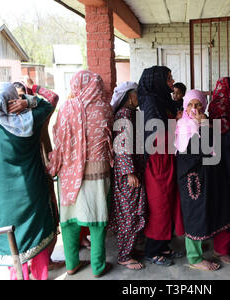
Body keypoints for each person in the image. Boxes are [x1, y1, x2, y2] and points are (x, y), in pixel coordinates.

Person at [0, 82, 57, 280]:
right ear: (13, 100)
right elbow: (50, 102)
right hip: (32, 195)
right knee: (37, 248)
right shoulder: (29, 121)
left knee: (14, 252)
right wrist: (28, 102)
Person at [48, 70, 113, 278]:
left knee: (70, 221)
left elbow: (57, 136)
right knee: (97, 219)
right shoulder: (104, 108)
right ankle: (98, 266)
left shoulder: (67, 108)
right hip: (98, 172)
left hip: (69, 174)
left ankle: (72, 264)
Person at [176, 89, 230, 271]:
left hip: (213, 176)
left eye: (198, 104)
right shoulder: (183, 127)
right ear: (185, 107)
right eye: (190, 104)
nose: (194, 109)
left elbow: (216, 149)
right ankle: (195, 258)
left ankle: (221, 249)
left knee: (220, 209)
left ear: (205, 106)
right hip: (193, 179)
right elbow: (195, 152)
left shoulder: (209, 123)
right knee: (195, 215)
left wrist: (205, 127)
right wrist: (202, 128)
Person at [13, 77, 65, 271]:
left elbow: (52, 97)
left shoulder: (37, 116)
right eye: (15, 98)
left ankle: (45, 259)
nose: (19, 101)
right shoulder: (8, 121)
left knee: (50, 213)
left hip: (43, 168)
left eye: (23, 96)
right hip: (22, 175)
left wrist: (31, 90)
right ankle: (28, 264)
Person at [138, 66, 185, 267]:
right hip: (157, 161)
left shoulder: (162, 100)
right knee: (160, 206)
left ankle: (164, 245)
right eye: (168, 78)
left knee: (169, 203)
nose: (172, 81)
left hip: (167, 158)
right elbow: (156, 135)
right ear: (157, 80)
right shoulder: (151, 102)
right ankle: (152, 251)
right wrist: (178, 121)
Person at [109, 82, 147, 271]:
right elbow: (121, 146)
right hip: (128, 174)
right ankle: (124, 256)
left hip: (134, 170)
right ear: (130, 97)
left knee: (132, 212)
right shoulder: (123, 115)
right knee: (128, 215)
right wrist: (129, 172)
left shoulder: (132, 114)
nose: (139, 97)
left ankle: (129, 250)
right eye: (137, 94)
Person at [208, 77, 230, 265]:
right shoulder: (221, 109)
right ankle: (221, 249)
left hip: (225, 159)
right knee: (225, 202)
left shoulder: (222, 106)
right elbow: (222, 131)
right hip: (221, 162)